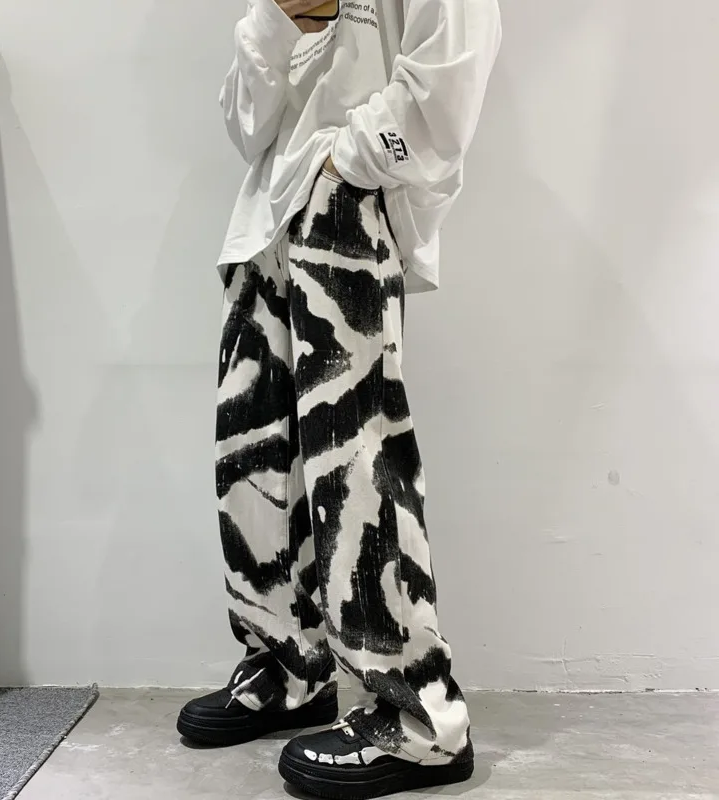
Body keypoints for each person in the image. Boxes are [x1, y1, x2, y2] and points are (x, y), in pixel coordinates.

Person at [178, 0, 501, 797]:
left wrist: (343, 163)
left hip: (349, 206)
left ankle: (419, 715)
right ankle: (289, 668)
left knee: (359, 458)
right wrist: (282, 18)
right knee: (252, 466)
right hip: (264, 226)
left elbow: (448, 83)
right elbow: (245, 123)